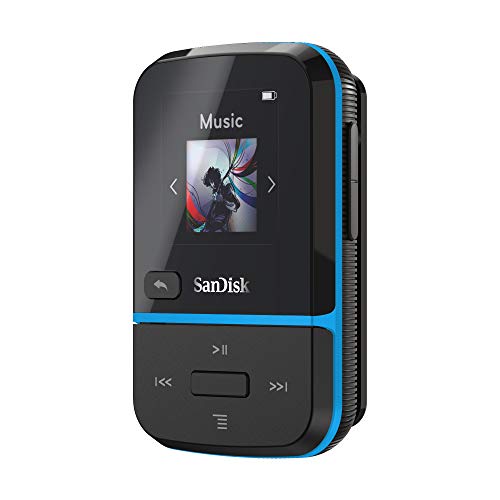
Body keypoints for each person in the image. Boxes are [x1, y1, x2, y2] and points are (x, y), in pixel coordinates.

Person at [202, 166, 240, 232]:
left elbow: (235, 206)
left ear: (217, 178)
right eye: (211, 182)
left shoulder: (227, 188)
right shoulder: (214, 194)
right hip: (212, 226)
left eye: (213, 180)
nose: (213, 184)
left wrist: (223, 200)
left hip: (221, 227)